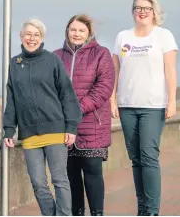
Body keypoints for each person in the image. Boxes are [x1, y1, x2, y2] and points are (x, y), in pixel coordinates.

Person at [3, 18, 82, 216]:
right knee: (38, 183)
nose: (32, 38)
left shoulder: (52, 60)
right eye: (28, 34)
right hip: (29, 133)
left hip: (56, 130)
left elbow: (67, 93)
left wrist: (71, 126)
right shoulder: (14, 63)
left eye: (36, 34)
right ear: (21, 36)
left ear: (42, 38)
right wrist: (9, 129)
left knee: (59, 179)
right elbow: (11, 98)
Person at [111, 0, 178, 216]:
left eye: (146, 8)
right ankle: (142, 209)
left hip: (153, 105)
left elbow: (170, 70)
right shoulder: (122, 37)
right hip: (127, 105)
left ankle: (152, 211)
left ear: (154, 12)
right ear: (133, 12)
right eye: (138, 8)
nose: (142, 12)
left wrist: (172, 101)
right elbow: (115, 72)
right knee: (136, 159)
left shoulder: (163, 36)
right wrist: (112, 100)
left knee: (149, 156)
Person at [54, 14, 115, 216]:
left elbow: (104, 88)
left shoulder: (101, 53)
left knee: (92, 172)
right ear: (67, 31)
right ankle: (76, 212)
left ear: (89, 32)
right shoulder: (55, 56)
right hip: (64, 127)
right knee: (70, 175)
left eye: (81, 30)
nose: (76, 34)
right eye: (73, 30)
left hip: (93, 125)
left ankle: (97, 213)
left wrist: (76, 109)